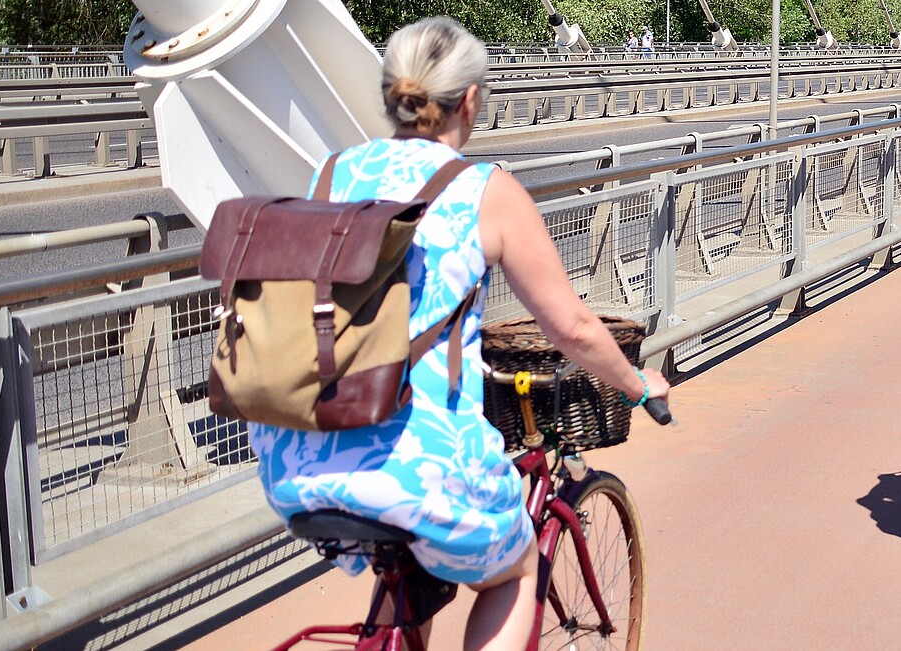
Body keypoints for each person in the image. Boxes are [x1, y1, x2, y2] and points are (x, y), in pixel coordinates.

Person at [249, 17, 671, 650]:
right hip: (419, 468)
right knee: (514, 569)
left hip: (297, 461)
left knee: (404, 565)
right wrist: (638, 385)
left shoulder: (331, 175)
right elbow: (573, 329)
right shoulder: (482, 190)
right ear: (470, 100)